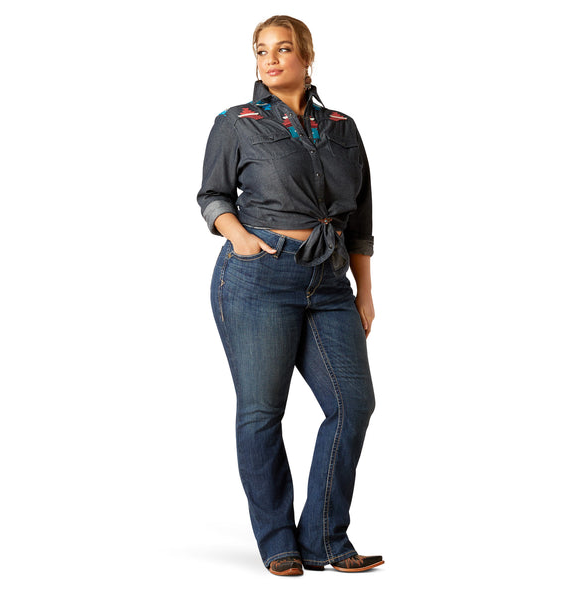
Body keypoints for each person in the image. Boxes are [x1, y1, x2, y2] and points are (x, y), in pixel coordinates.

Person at [197, 15, 384, 576]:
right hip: (258, 277)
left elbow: (361, 217)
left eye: (282, 49)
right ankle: (278, 541)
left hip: (329, 281)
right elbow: (212, 195)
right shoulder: (237, 122)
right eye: (261, 51)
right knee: (262, 411)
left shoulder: (343, 127)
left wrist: (365, 291)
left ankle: (324, 538)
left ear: (306, 55)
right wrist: (241, 239)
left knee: (353, 405)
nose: (271, 60)